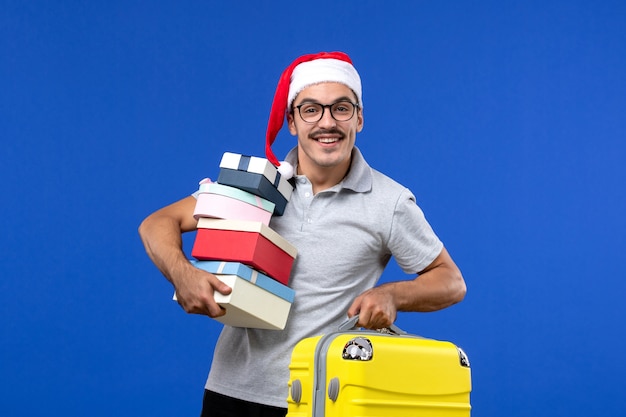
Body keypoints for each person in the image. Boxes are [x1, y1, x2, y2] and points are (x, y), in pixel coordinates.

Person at [138, 51, 466, 417]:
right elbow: (156, 223)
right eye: (311, 110)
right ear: (292, 122)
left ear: (359, 117)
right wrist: (183, 274)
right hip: (230, 392)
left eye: (341, 108)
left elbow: (451, 281)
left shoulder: (389, 202)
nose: (327, 122)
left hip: (323, 399)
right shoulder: (257, 184)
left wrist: (393, 294)